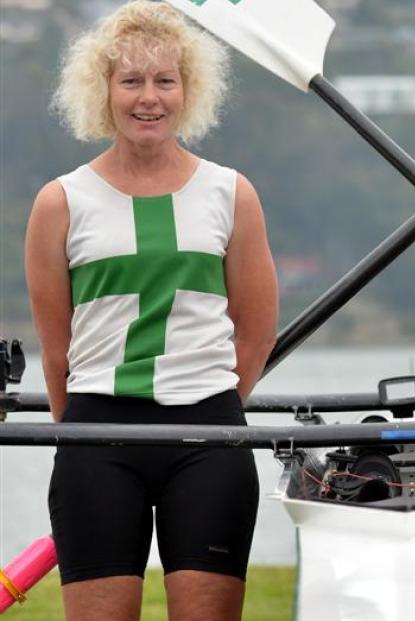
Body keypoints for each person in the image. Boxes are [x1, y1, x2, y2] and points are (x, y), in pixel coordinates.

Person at [24, 2, 278, 619]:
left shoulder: (230, 192)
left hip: (208, 437)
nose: (149, 98)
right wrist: (80, 431)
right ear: (103, 90)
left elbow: (257, 325)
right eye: (131, 81)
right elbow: (57, 350)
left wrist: (208, 397)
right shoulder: (60, 202)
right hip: (98, 436)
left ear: (187, 91)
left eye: (165, 81)